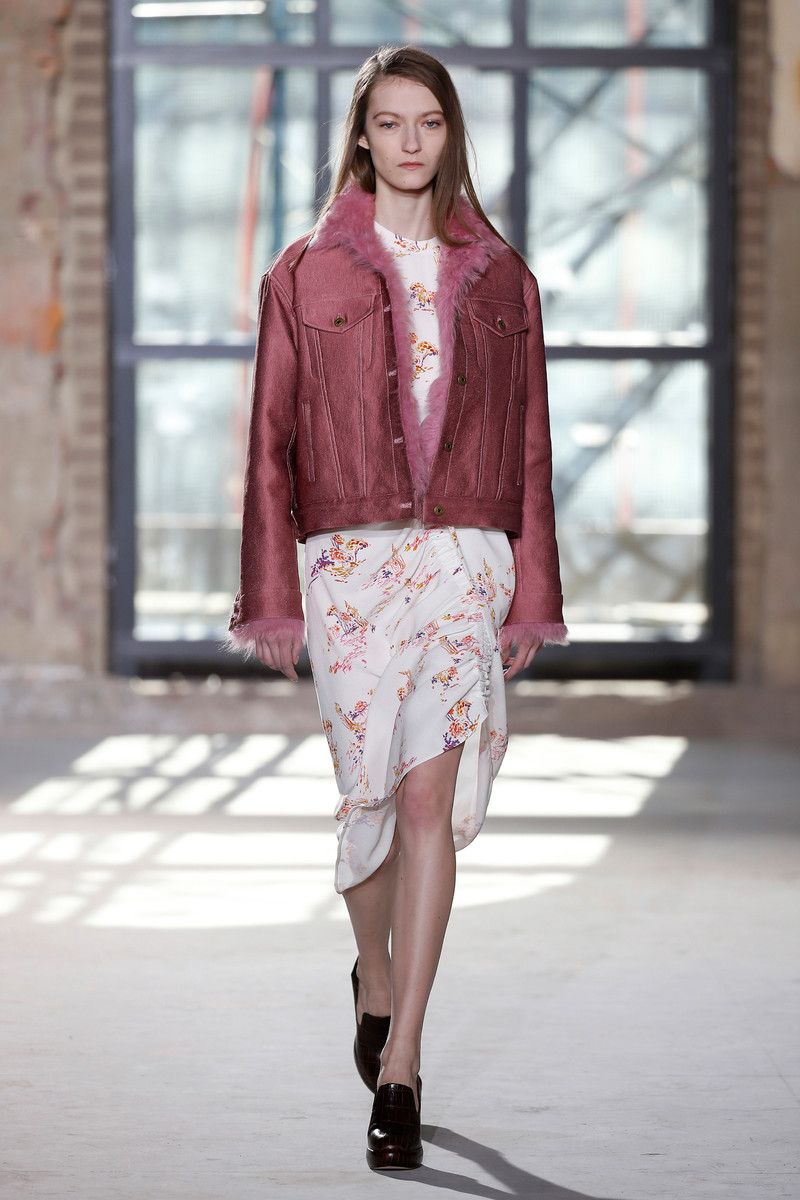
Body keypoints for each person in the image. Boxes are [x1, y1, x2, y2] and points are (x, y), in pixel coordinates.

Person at [226, 44, 567, 1172]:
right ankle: (370, 973)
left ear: (450, 134)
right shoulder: (303, 274)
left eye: (428, 121)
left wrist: (532, 594)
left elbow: (530, 448)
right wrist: (270, 598)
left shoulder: (502, 278)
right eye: (389, 122)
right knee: (367, 796)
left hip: (464, 559)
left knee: (427, 795)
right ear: (363, 137)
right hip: (349, 565)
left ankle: (405, 1061)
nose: (410, 141)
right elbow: (269, 446)